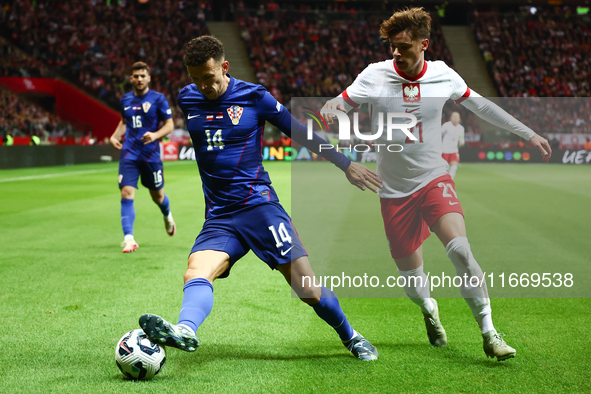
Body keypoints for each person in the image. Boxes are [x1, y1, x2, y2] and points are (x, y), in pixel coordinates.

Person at [322, 7, 551, 361]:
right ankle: (429, 309)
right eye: (392, 46)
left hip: (433, 179)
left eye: (403, 46)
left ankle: (490, 333)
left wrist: (529, 133)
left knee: (460, 250)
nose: (395, 53)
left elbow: (482, 106)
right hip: (393, 191)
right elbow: (334, 107)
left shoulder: (443, 75)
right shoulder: (374, 75)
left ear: (424, 44)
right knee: (413, 282)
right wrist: (344, 124)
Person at [139, 36, 382, 361]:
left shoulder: (254, 97)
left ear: (224, 67)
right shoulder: (188, 97)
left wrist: (345, 163)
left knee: (307, 289)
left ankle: (351, 336)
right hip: (220, 216)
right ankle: (186, 330)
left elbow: (299, 131)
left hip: (260, 208)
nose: (202, 86)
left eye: (208, 78)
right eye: (195, 79)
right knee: (195, 271)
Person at [110, 62, 176, 253]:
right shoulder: (125, 100)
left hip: (151, 155)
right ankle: (129, 239)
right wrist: (115, 135)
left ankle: (167, 215)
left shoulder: (158, 99)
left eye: (142, 76)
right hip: (129, 153)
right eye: (136, 76)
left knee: (157, 196)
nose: (139, 79)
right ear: (131, 79)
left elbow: (169, 125)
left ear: (148, 78)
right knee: (126, 193)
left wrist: (155, 135)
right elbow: (124, 122)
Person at [441, 111, 464, 179]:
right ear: (451, 118)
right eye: (454, 117)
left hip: (454, 150)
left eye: (457, 117)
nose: (456, 118)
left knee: (454, 167)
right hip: (445, 150)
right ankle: (443, 179)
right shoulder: (446, 125)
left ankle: (450, 180)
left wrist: (461, 142)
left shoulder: (461, 128)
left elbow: (461, 138)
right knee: (445, 168)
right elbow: (439, 134)